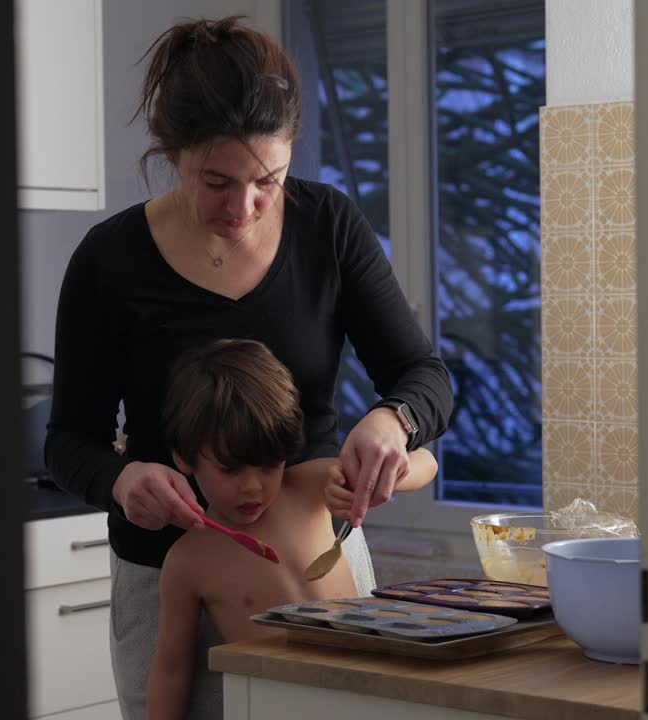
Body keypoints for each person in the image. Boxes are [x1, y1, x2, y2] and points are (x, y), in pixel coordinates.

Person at [44, 15, 453, 719]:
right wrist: (122, 478)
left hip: (322, 570)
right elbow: (67, 442)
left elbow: (425, 376)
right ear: (173, 153)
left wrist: (395, 421)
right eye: (218, 182)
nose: (246, 207)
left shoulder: (327, 225)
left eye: (270, 179)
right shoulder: (107, 262)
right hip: (165, 578)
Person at [146, 339, 437, 720]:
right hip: (277, 705)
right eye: (231, 469)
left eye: (269, 465)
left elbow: (427, 462)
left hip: (366, 689)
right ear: (184, 458)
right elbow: (171, 668)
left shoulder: (310, 485)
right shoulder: (188, 560)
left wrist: (387, 474)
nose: (253, 487)